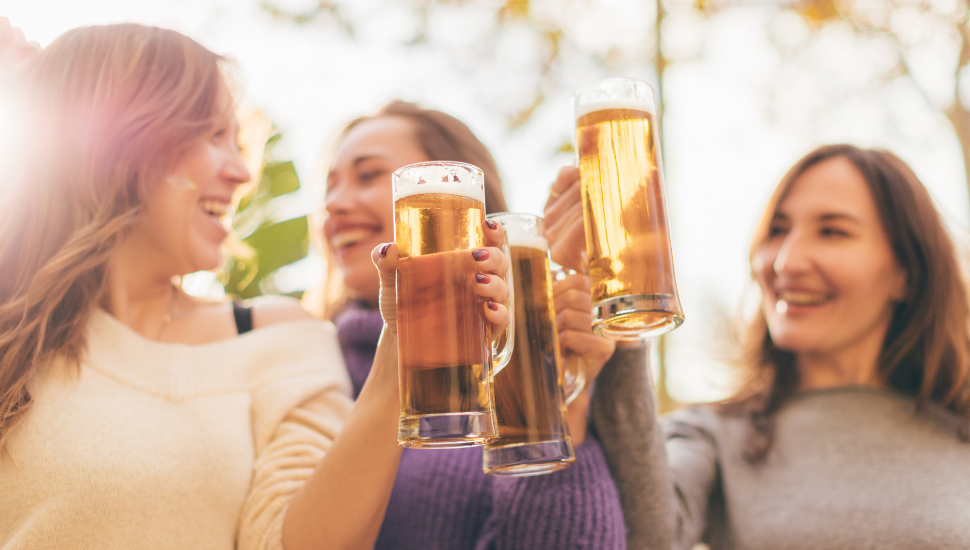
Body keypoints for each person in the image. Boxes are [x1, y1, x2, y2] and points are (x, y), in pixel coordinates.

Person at [0, 23, 511, 550]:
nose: (243, 173)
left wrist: (399, 348)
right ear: (116, 136)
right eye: (214, 136)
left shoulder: (278, 337)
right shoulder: (14, 329)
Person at [545, 145, 970, 549]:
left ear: (906, 274)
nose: (786, 261)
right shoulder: (714, 434)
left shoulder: (957, 432)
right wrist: (616, 333)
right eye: (778, 230)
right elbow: (644, 539)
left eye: (832, 232)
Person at [306, 100, 627, 549]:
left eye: (368, 175)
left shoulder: (512, 361)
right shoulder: (299, 360)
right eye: (330, 186)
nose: (334, 205)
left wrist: (565, 405)